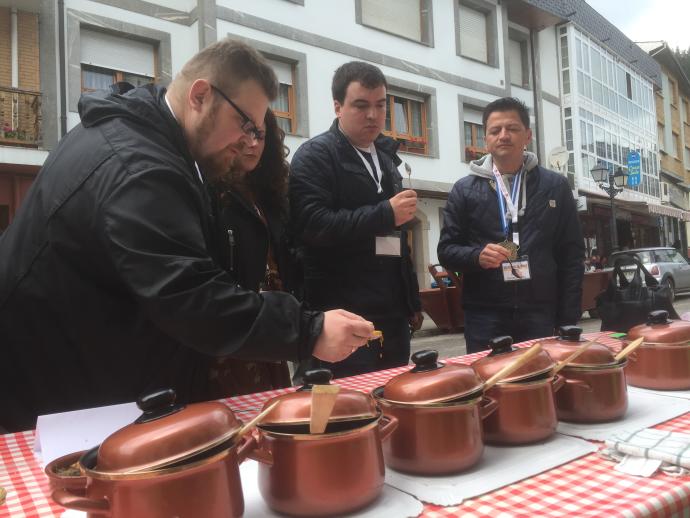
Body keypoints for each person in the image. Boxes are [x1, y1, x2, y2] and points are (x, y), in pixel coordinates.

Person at [0, 39, 374, 432]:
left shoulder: (156, 144)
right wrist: (309, 330)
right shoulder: (139, 167)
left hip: (84, 387)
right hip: (52, 404)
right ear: (200, 95)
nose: (250, 142)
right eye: (246, 124)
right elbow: (188, 295)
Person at [289, 61, 423, 379]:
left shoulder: (389, 159)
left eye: (380, 105)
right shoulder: (314, 156)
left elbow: (398, 243)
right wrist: (385, 213)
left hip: (392, 317)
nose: (374, 115)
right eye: (361, 105)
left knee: (392, 406)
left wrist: (411, 300)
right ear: (338, 106)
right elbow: (312, 225)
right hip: (340, 317)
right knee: (346, 414)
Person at [438, 97, 584, 354]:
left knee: (539, 385)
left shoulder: (555, 187)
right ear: (486, 139)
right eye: (495, 130)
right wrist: (476, 257)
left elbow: (572, 257)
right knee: (490, 386)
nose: (503, 136)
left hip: (540, 311)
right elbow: (446, 251)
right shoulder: (464, 190)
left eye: (512, 129)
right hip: (484, 315)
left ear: (527, 135)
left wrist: (567, 319)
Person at [208, 109, 296, 395]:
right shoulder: (211, 192)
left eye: (260, 134)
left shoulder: (269, 194)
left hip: (270, 324)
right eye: (246, 132)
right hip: (231, 329)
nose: (254, 143)